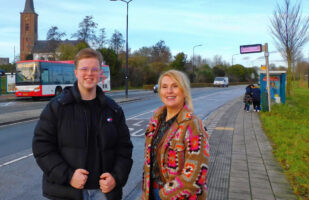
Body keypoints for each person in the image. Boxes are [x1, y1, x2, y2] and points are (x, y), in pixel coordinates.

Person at [32, 48, 133, 200]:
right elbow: (42, 147)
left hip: (104, 194)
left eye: (94, 69)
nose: (89, 73)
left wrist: (116, 178)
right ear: (76, 73)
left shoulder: (113, 110)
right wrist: (68, 176)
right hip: (67, 192)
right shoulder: (57, 107)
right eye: (84, 69)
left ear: (100, 73)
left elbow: (124, 149)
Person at [142, 70, 209, 200]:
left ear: (184, 90)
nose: (169, 91)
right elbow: (149, 163)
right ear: (160, 91)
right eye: (164, 87)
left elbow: (194, 177)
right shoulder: (156, 120)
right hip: (151, 192)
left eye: (175, 86)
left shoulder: (193, 125)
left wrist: (162, 195)